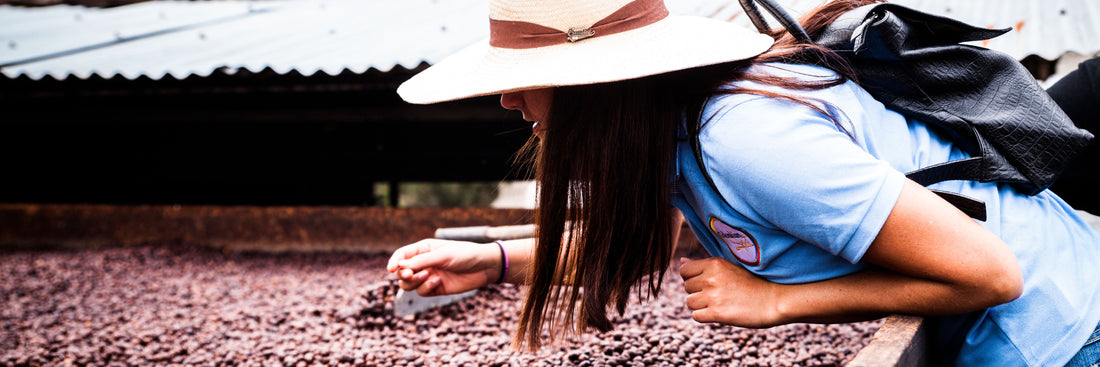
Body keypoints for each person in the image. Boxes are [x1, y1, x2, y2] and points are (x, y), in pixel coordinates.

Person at [386, 0, 1100, 365]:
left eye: (522, 81)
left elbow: (992, 273)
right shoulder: (673, 134)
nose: (509, 101)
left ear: (595, 86)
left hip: (1063, 336)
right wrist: (493, 259)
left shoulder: (747, 139)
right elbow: (654, 232)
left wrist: (776, 302)